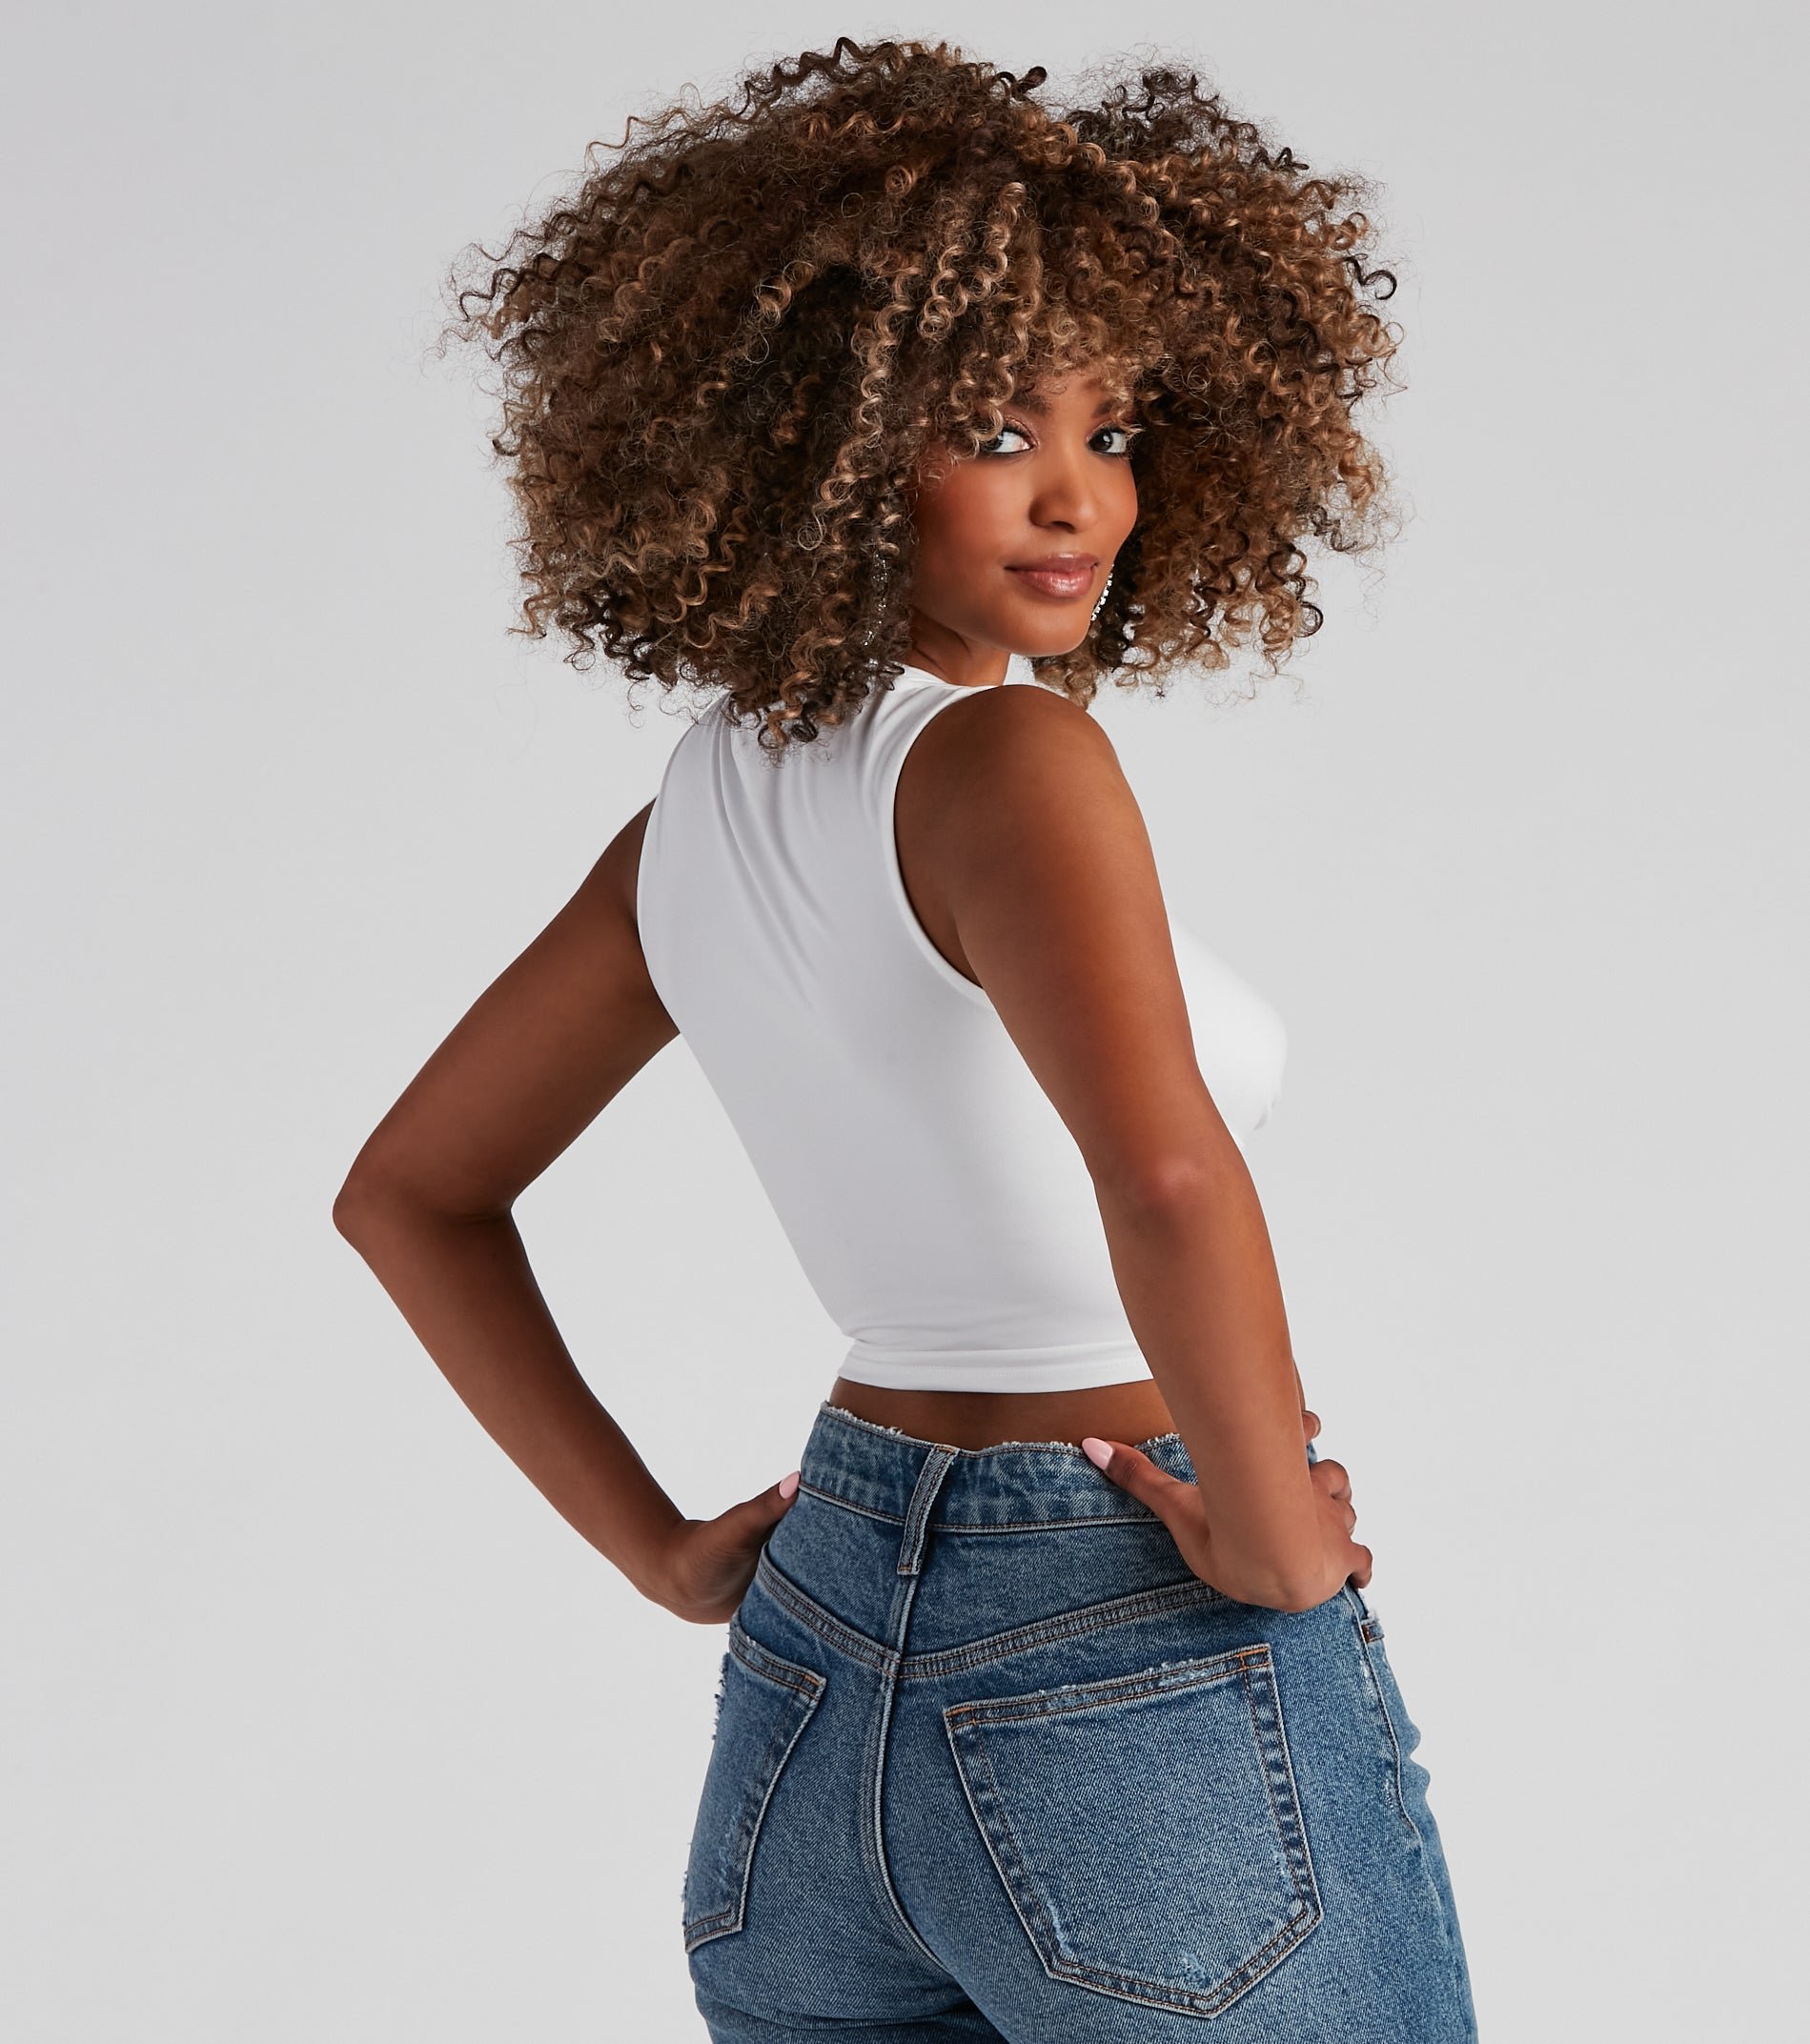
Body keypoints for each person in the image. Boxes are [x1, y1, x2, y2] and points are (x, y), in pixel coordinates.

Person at [335, 37, 1476, 2041]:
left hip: (816, 1668)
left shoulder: (703, 810)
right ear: (827, 441)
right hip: (1119, 1629)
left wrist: (659, 1551)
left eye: (1113, 425)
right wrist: (1272, 1531)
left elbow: (410, 1191)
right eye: (991, 426)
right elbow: (1164, 1170)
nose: (1079, 494)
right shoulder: (1008, 760)